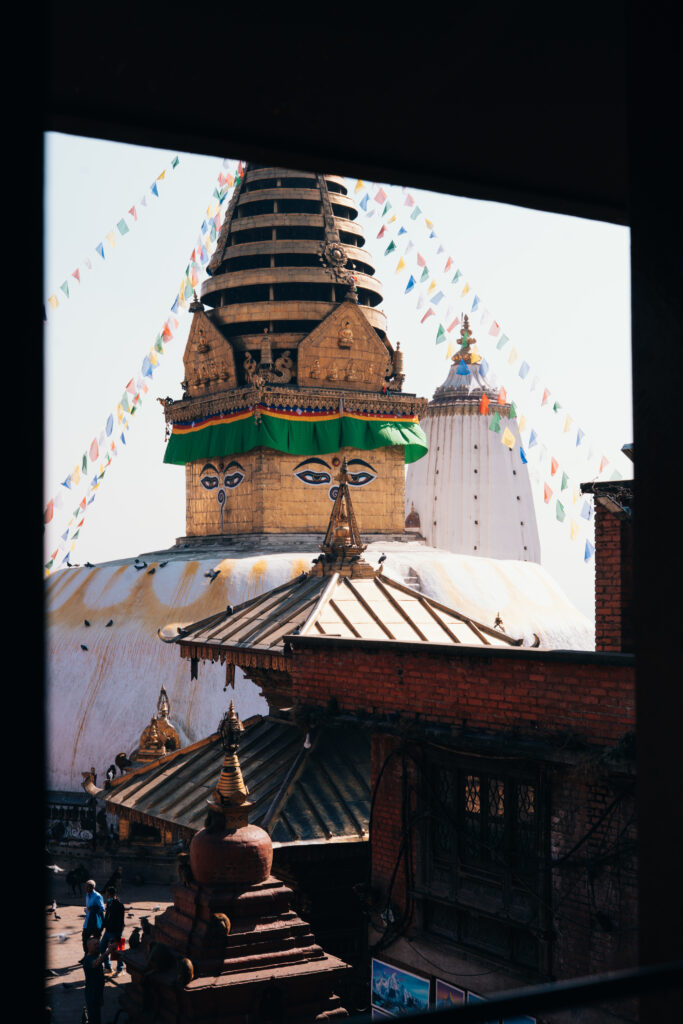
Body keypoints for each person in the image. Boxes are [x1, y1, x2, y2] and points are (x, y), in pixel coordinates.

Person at [81, 934, 111, 1024]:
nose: (98, 946)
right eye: (95, 945)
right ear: (89, 947)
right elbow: (95, 964)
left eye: (98, 944)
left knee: (97, 1017)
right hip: (92, 994)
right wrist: (108, 951)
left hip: (97, 994)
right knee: (94, 1019)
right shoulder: (88, 959)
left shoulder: (95, 956)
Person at [100, 885, 125, 974]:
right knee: (102, 947)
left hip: (115, 932)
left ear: (110, 894)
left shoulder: (119, 905)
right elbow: (107, 917)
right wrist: (102, 928)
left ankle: (120, 968)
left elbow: (121, 921)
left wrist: (118, 935)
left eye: (107, 893)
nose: (106, 895)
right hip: (108, 931)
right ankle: (108, 967)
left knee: (117, 951)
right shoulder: (109, 903)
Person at [82, 879, 105, 954]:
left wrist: (93, 908)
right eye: (86, 887)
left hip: (95, 922)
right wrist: (87, 910)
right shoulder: (87, 895)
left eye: (88, 887)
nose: (86, 889)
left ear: (92, 887)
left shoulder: (97, 896)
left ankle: (97, 957)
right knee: (85, 938)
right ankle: (87, 955)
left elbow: (102, 908)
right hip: (88, 921)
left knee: (96, 941)